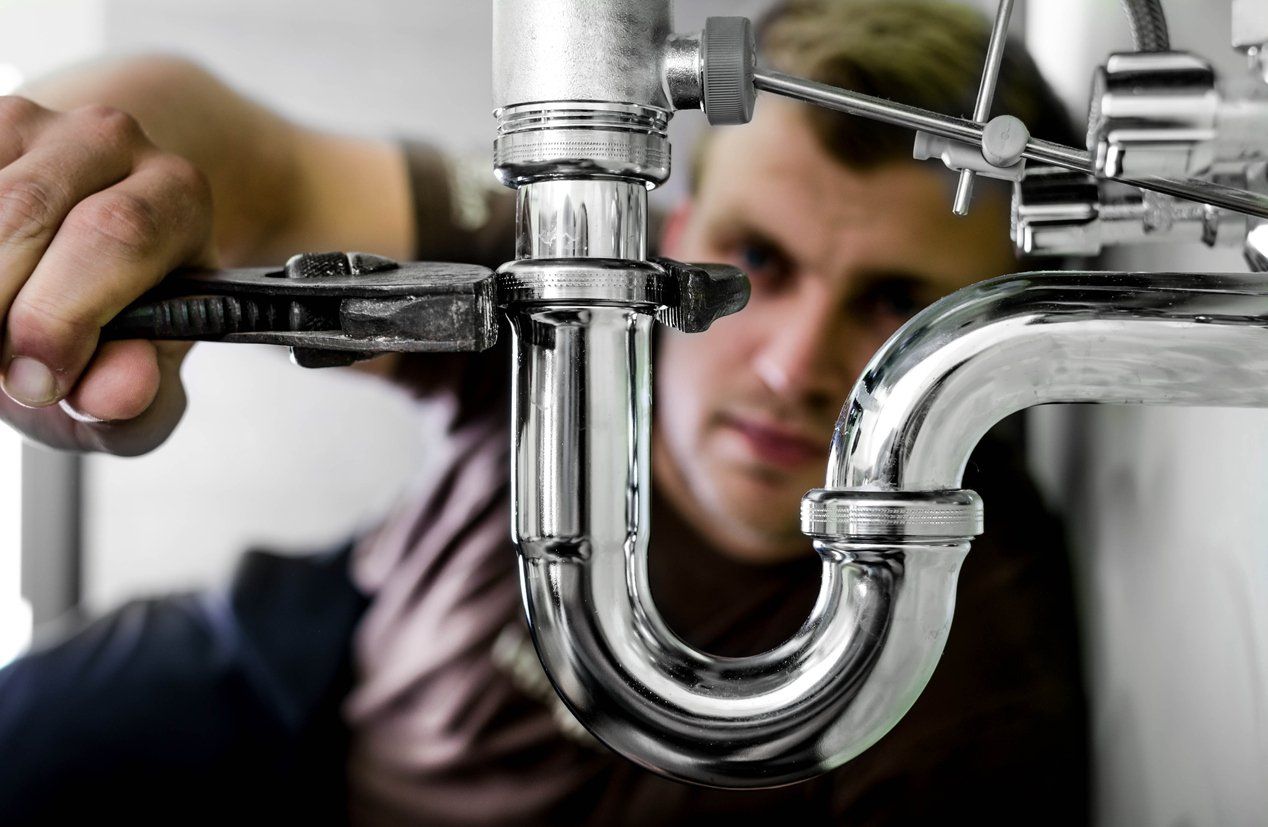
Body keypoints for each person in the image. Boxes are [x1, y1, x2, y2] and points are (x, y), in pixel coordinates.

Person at [0, 1, 1088, 823]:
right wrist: (68, 194)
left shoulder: (967, 677)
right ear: (677, 231)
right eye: (758, 257)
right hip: (298, 686)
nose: (791, 365)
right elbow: (247, 158)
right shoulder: (581, 270)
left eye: (895, 303)